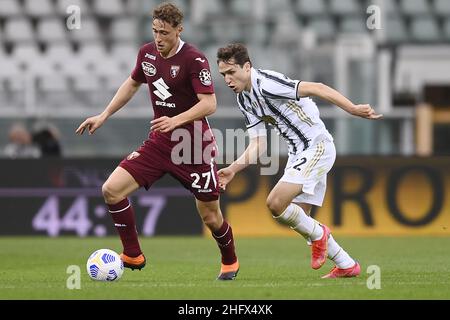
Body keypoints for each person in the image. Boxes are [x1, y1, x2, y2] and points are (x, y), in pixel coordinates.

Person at [76, 3, 239, 280]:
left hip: (193, 147)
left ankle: (230, 260)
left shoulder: (194, 59)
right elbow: (131, 83)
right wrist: (104, 115)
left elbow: (209, 104)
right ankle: (132, 254)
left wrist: (176, 120)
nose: (158, 38)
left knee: (211, 217)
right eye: (154, 31)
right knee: (112, 190)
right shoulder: (147, 54)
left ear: (179, 30)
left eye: (164, 32)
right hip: (160, 141)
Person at [216, 43, 382, 278]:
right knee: (298, 219)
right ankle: (346, 264)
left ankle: (321, 236)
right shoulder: (244, 100)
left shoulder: (266, 83)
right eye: (223, 75)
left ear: (247, 67)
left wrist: (352, 109)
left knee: (275, 203)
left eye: (231, 73)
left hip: (317, 146)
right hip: (299, 153)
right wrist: (233, 169)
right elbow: (258, 144)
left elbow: (318, 87)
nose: (227, 80)